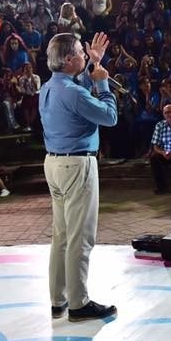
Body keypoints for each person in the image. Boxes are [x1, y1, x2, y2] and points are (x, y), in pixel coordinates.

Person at [40, 31, 118, 322]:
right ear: (70, 59)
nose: (86, 56)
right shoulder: (72, 92)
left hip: (54, 164)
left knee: (61, 237)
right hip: (77, 166)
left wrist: (92, 67)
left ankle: (58, 300)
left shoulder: (49, 87)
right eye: (82, 55)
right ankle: (78, 303)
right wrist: (102, 82)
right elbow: (109, 117)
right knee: (80, 238)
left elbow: (77, 95)